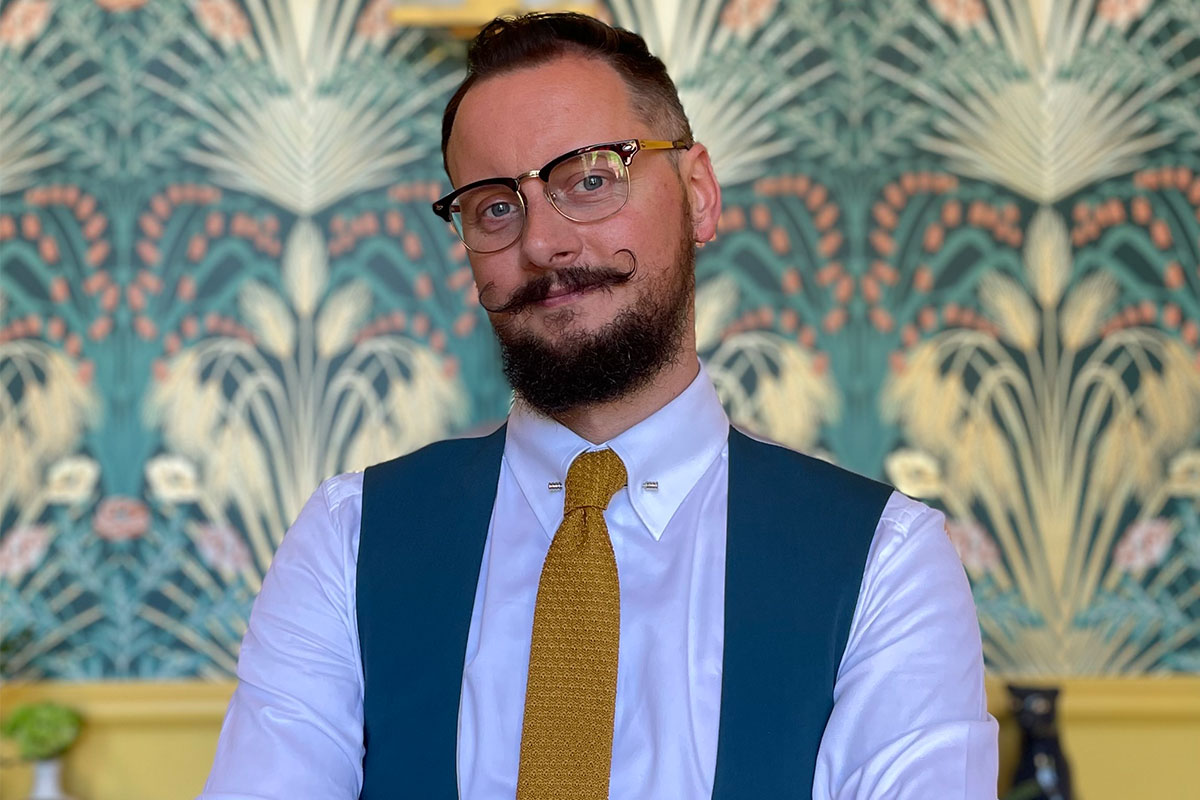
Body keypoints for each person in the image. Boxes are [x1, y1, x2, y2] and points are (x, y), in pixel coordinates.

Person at [200, 12, 999, 800]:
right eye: (494, 206)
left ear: (699, 194)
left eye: (589, 178)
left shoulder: (886, 563)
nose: (543, 244)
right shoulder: (348, 539)